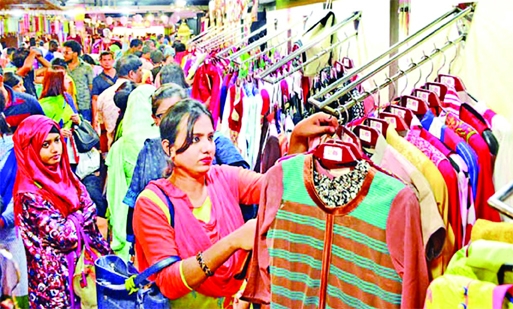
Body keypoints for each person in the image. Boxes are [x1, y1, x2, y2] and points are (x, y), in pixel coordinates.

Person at [133, 100, 337, 308]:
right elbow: (169, 282)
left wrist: (298, 139)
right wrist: (233, 241)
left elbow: (280, 188)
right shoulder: (152, 204)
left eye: (210, 138)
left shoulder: (224, 178)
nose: (207, 148)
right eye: (195, 139)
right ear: (169, 148)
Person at [13, 115, 111, 308]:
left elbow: (91, 208)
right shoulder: (29, 193)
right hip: (54, 283)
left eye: (57, 140)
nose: (55, 149)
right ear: (29, 149)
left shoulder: (66, 175)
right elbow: (65, 236)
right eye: (45, 144)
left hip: (81, 270)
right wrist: (81, 214)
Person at [106, 84, 158, 259]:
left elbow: (113, 189)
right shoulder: (164, 141)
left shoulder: (122, 144)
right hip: (159, 213)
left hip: (130, 213)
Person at [0, 83, 29, 309]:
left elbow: (21, 193)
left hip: (9, 236)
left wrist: (4, 219)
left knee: (12, 291)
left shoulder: (15, 151)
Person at [96, 55, 143, 150]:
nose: (142, 73)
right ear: (131, 74)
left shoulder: (103, 96)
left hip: (112, 151)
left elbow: (103, 130)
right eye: (140, 71)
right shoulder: (140, 94)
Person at [63, 40, 94, 122]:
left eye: (67, 53)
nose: (64, 55)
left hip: (84, 105)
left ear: (75, 54)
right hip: (67, 105)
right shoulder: (62, 67)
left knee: (85, 130)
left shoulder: (86, 68)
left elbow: (91, 87)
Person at [91, 51, 118, 129]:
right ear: (100, 62)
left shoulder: (120, 75)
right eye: (104, 60)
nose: (107, 62)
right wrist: (95, 119)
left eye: (109, 59)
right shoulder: (97, 80)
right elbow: (95, 99)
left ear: (113, 61)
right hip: (106, 111)